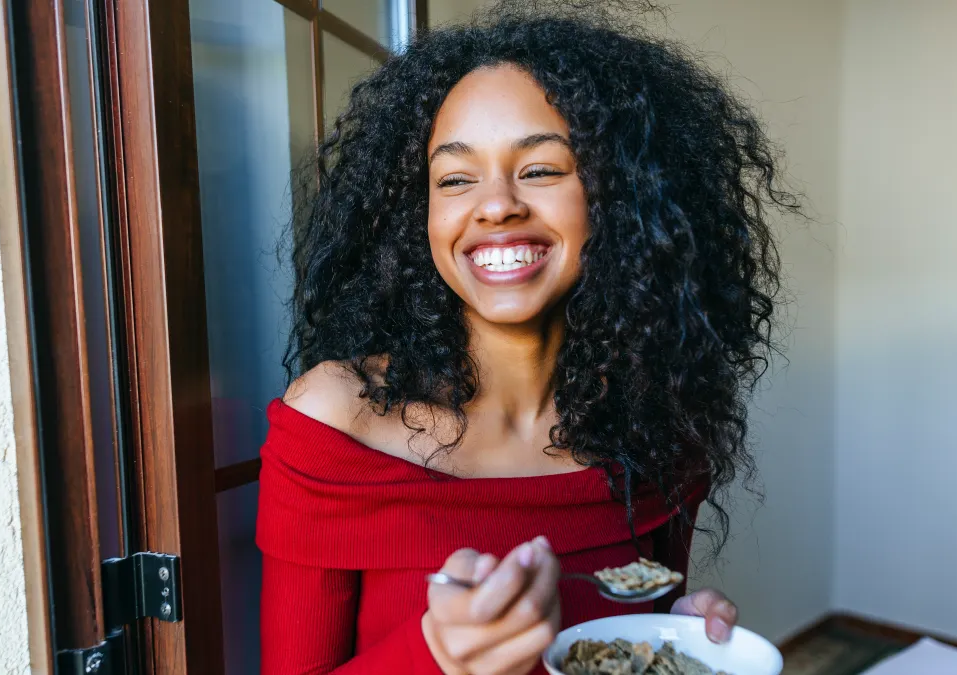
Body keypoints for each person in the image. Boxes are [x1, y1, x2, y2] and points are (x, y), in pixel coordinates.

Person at [257, 2, 794, 673]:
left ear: (619, 197)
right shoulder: (337, 419)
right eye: (455, 178)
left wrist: (672, 635)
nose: (495, 203)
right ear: (415, 213)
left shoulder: (661, 424)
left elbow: (625, 635)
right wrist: (434, 655)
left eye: (540, 169)